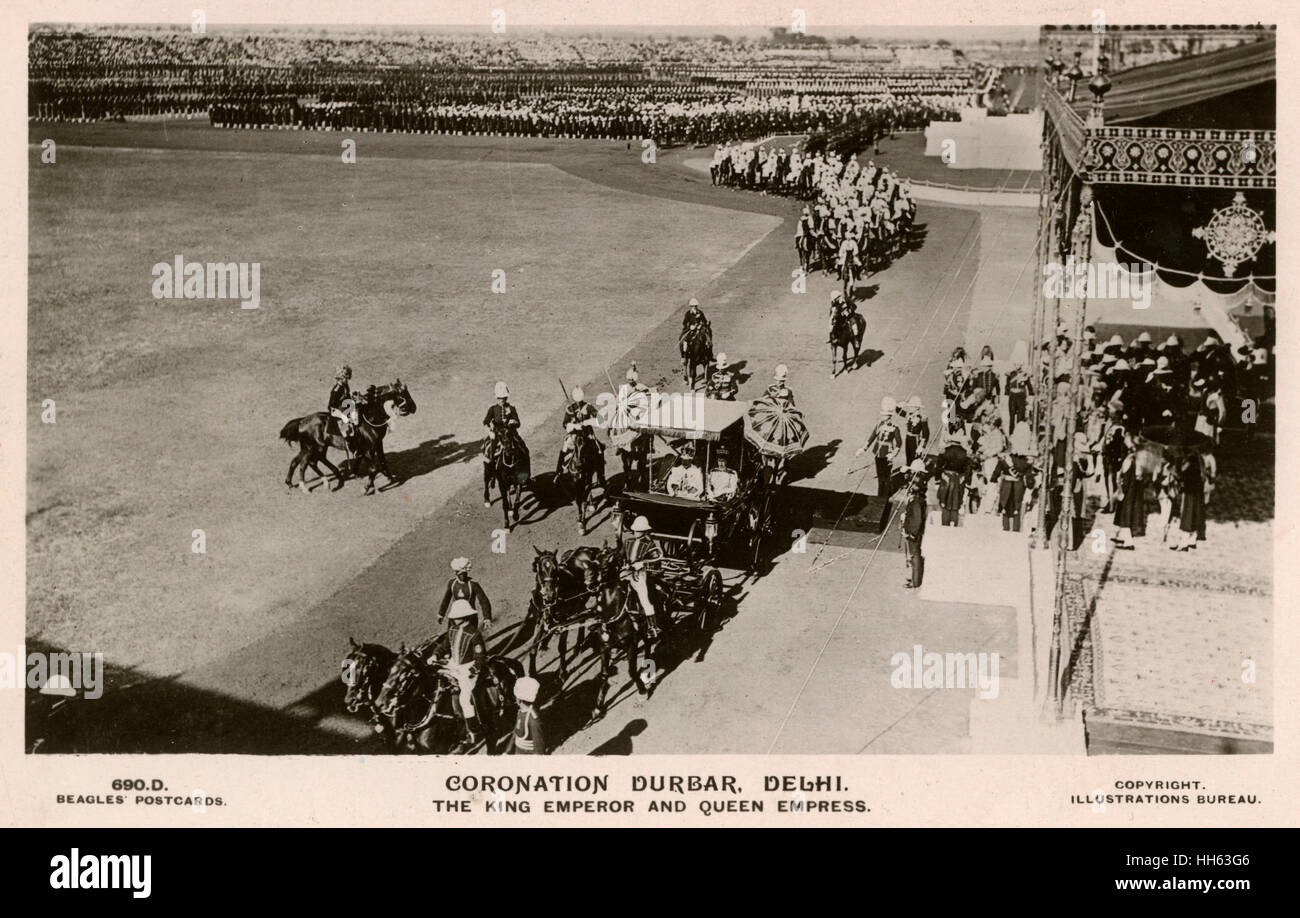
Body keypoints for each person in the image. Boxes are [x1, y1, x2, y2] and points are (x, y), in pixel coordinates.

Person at [442, 599, 490, 744]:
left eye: (457, 616)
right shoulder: (452, 630)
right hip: (453, 665)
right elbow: (444, 645)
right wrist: (435, 655)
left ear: (464, 617)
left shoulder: (474, 634)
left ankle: (474, 730)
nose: (454, 618)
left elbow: (480, 657)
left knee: (464, 699)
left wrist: (473, 670)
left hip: (467, 669)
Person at [557, 386, 606, 488]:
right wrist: (574, 425)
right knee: (565, 447)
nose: (579, 403)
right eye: (577, 400)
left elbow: (600, 419)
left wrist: (586, 422)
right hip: (574, 435)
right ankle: (559, 471)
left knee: (599, 449)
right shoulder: (570, 408)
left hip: (587, 434)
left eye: (580, 400)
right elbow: (565, 423)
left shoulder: (588, 406)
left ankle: (601, 476)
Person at [623, 515, 662, 637]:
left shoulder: (650, 544)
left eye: (639, 531)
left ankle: (652, 627)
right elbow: (621, 555)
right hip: (627, 571)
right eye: (635, 530)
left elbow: (657, 561)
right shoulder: (628, 541)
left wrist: (642, 564)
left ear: (644, 531)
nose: (636, 532)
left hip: (640, 574)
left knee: (644, 599)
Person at [856, 397, 902, 498]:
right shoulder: (879, 425)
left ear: (889, 416)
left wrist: (893, 454)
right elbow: (871, 437)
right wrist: (863, 449)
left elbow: (899, 443)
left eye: (884, 415)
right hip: (878, 453)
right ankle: (880, 495)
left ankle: (886, 496)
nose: (882, 416)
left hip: (887, 454)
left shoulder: (895, 428)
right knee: (880, 476)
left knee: (886, 477)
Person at [437, 557, 493, 627]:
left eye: (464, 574)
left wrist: (487, 618)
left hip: (470, 616)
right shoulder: (452, 583)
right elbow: (446, 599)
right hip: (455, 616)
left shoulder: (473, 584)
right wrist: (441, 614)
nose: (463, 576)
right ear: (456, 573)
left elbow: (484, 601)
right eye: (460, 574)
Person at [902, 461, 928, 588]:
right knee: (913, 555)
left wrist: (912, 532)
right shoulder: (919, 496)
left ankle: (915, 581)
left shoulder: (916, 500)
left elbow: (917, 519)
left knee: (915, 555)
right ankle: (914, 578)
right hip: (913, 530)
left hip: (914, 531)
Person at [507, 676, 546, 755]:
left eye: (515, 696)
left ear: (519, 700)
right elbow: (516, 732)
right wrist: (508, 750)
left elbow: (539, 752)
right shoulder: (521, 711)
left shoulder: (533, 720)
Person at [328, 365, 359, 456]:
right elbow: (332, 404)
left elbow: (347, 398)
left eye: (347, 377)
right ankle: (350, 444)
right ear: (341, 377)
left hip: (344, 408)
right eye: (345, 377)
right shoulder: (338, 388)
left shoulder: (345, 386)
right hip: (335, 409)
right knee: (346, 422)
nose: (347, 379)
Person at [902, 395, 930, 467]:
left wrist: (922, 446)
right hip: (908, 438)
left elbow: (926, 434)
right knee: (908, 457)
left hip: (915, 440)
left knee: (915, 458)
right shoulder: (909, 415)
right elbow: (898, 411)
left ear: (917, 408)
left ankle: (914, 474)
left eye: (912, 407)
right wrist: (901, 404)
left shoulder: (922, 418)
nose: (910, 408)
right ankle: (908, 472)